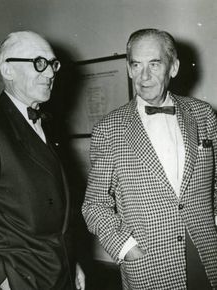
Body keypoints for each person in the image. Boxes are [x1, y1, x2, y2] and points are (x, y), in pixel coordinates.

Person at [82, 28, 217, 289]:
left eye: (154, 64)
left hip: (207, 257)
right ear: (129, 69)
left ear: (173, 67)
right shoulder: (109, 129)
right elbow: (94, 204)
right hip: (149, 266)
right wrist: (125, 247)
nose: (144, 76)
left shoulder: (203, 116)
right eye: (136, 65)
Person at [0, 31, 85, 290]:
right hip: (19, 279)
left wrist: (72, 263)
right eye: (39, 63)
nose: (50, 73)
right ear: (8, 70)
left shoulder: (44, 122)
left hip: (59, 273)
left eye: (53, 64)